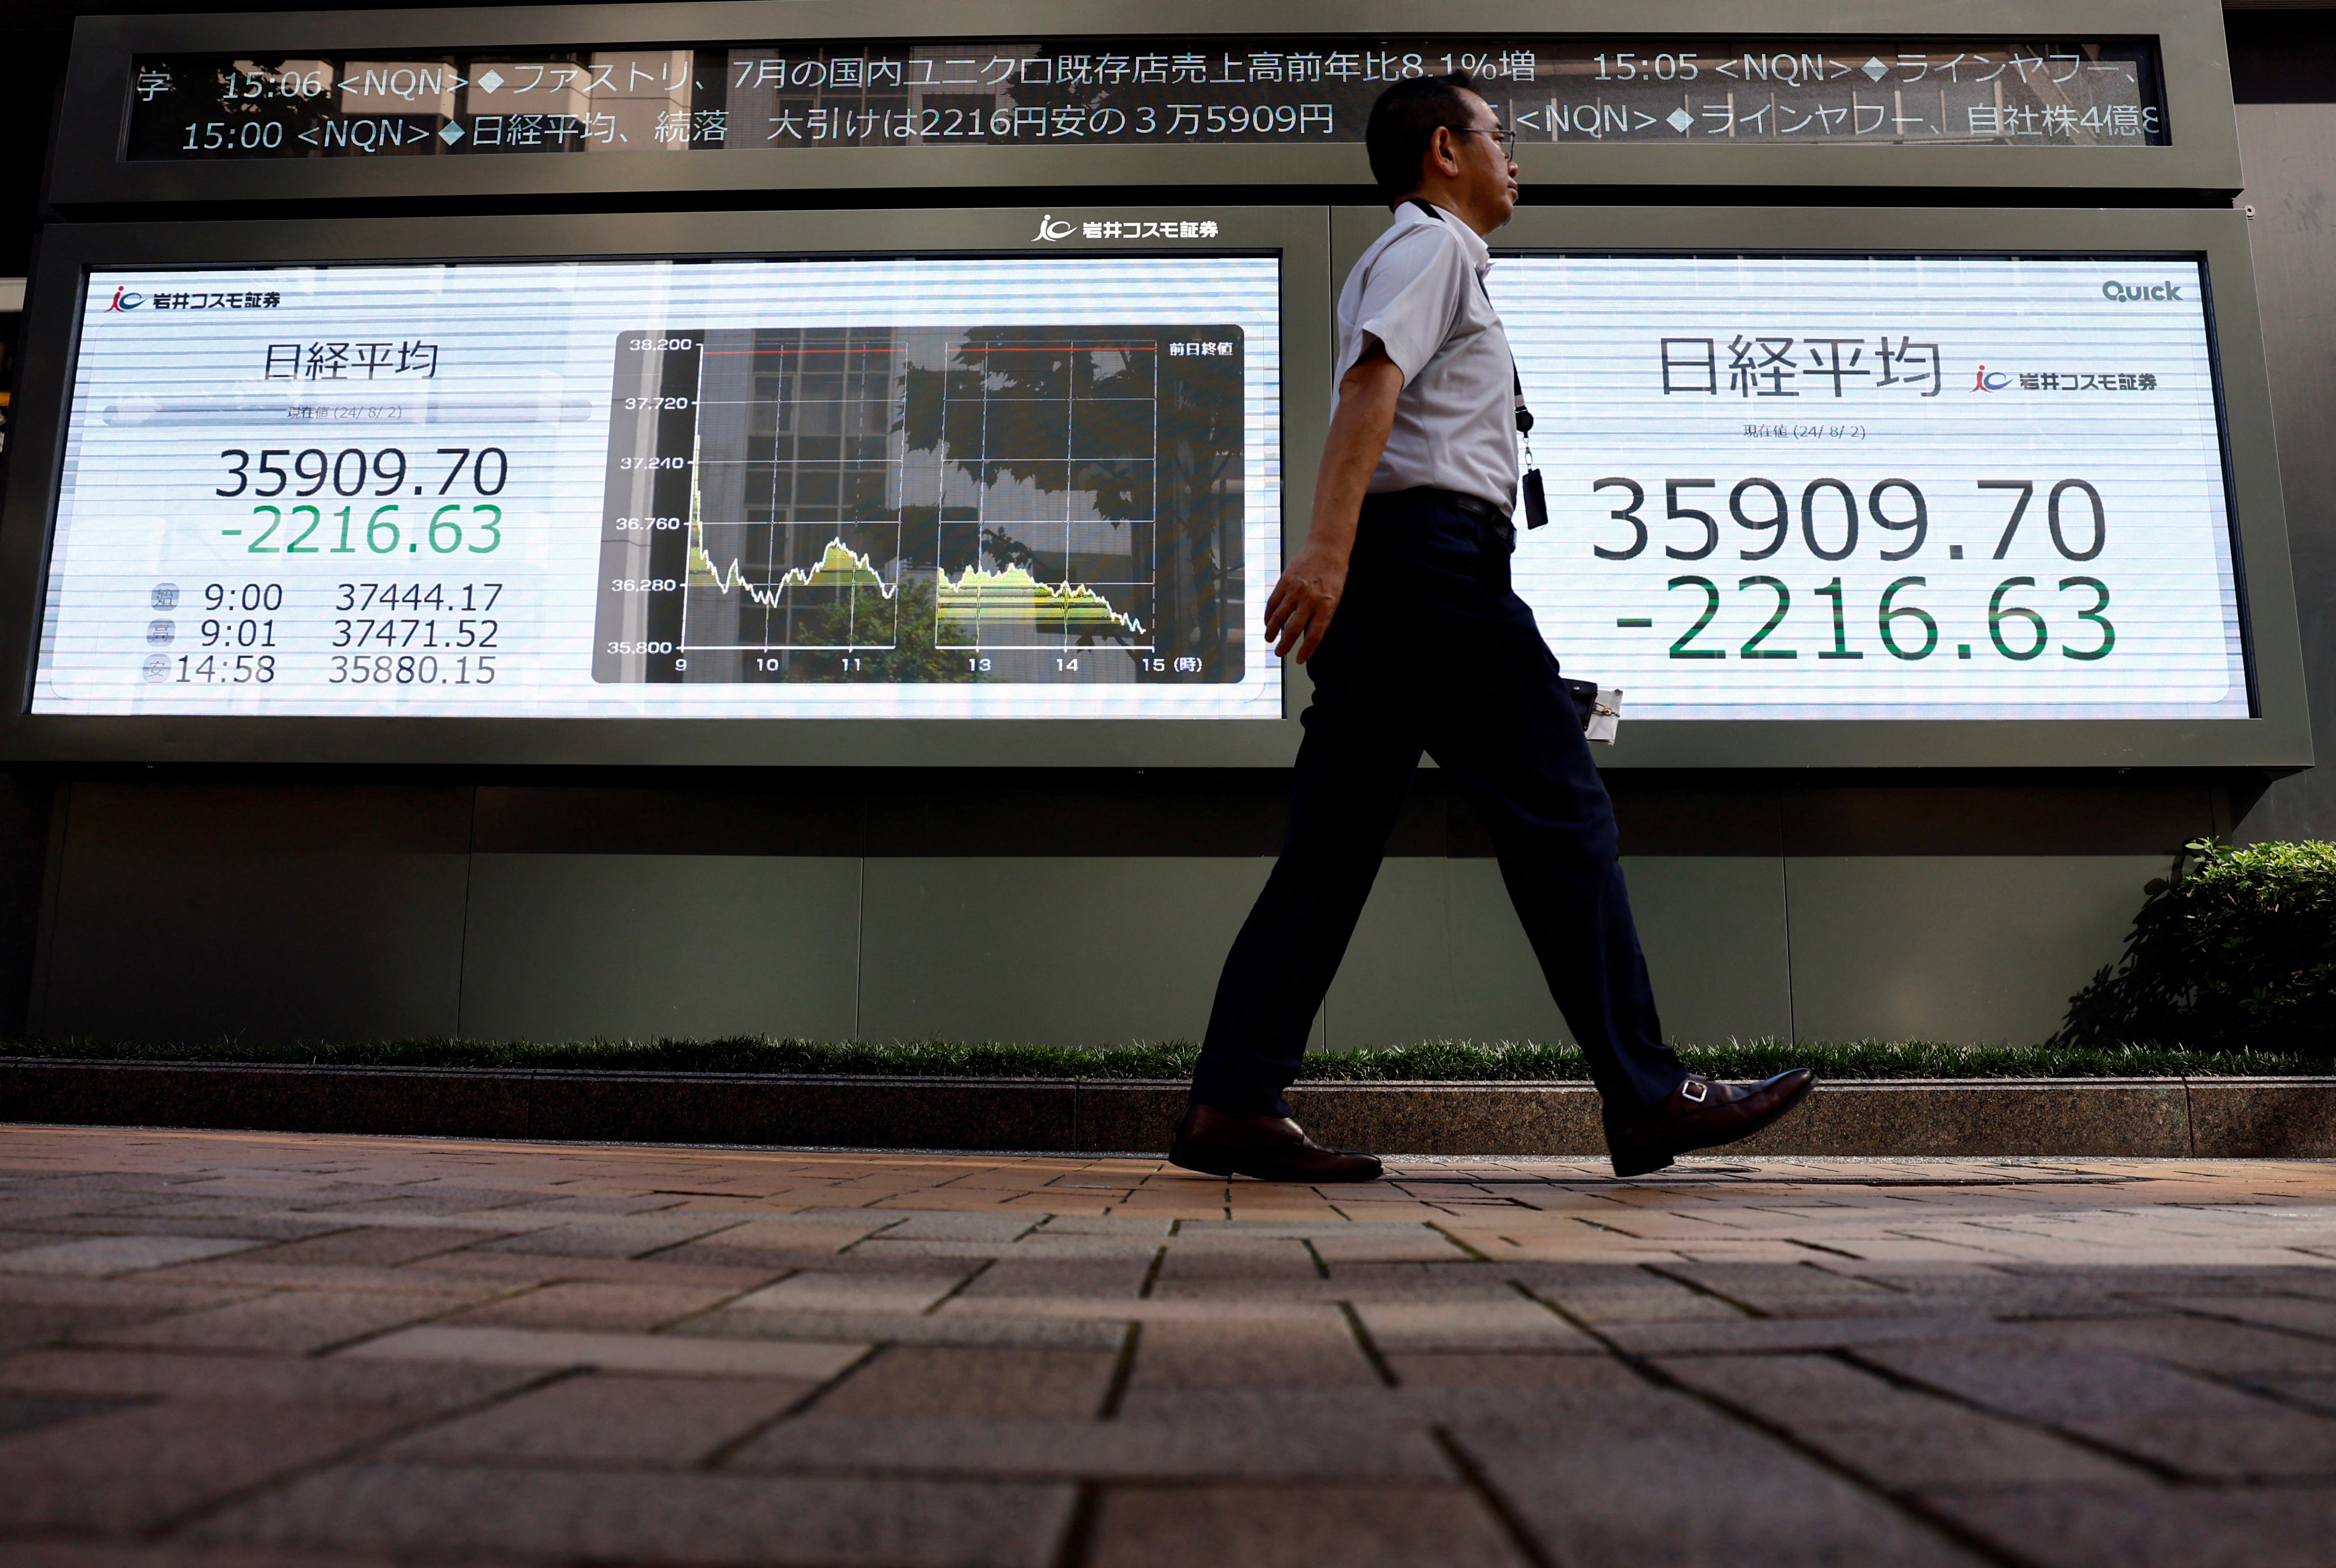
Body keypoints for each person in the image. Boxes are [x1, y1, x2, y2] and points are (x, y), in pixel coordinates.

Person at [1168, 73, 1816, 1183]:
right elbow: (1371, 386)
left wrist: (1343, 561)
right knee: (1562, 813)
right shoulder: (1434, 247)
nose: (1519, 160)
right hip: (1431, 567)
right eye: (1501, 138)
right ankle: (1647, 1093)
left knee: (1330, 850)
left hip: (1400, 572)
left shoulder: (1418, 251)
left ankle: (1232, 1101)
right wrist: (1325, 553)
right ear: (1443, 150)